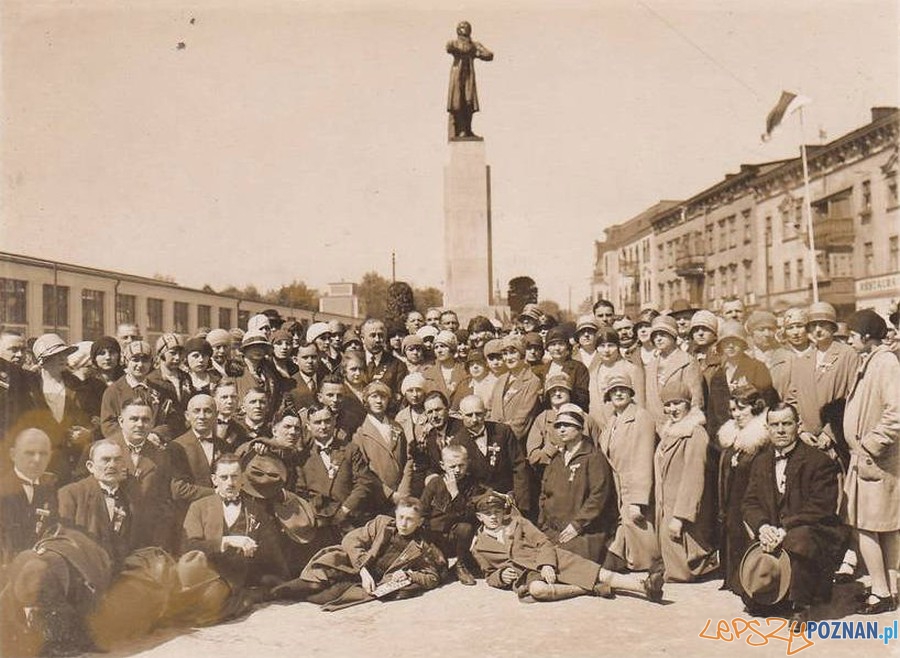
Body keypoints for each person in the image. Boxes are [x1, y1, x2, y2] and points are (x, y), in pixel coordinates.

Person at [742, 403, 848, 629]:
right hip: (774, 531)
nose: (780, 430)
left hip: (813, 533)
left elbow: (821, 507)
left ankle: (802, 605)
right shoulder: (760, 461)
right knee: (755, 603)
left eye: (786, 423)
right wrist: (763, 527)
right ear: (767, 428)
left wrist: (784, 528)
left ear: (798, 426)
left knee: (799, 539)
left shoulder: (819, 461)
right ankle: (778, 593)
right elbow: (750, 502)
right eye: (774, 425)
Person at [470, 490, 662, 602]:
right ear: (479, 517)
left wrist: (547, 564)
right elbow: (489, 575)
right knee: (538, 591)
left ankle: (644, 587)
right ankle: (591, 589)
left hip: (548, 558)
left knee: (597, 573)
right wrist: (501, 576)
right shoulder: (479, 546)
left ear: (503, 512)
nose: (493, 517)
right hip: (525, 574)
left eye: (497, 512)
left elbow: (543, 541)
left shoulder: (518, 522)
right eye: (488, 514)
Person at [272, 497, 446, 610]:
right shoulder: (382, 524)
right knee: (317, 579)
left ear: (420, 522)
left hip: (374, 582)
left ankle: (283, 588)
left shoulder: (421, 547)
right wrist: (363, 570)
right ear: (395, 514)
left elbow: (432, 577)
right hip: (354, 565)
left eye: (410, 520)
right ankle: (273, 591)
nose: (404, 524)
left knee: (325, 597)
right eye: (401, 517)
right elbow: (351, 539)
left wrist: (409, 575)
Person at [842, 309, 900, 614]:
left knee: (867, 527)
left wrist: (869, 445)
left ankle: (881, 592)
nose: (848, 340)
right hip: (869, 461)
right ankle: (890, 588)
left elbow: (896, 413)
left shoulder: (885, 363)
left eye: (852, 335)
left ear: (867, 336)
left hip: (874, 461)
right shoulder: (873, 360)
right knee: (884, 526)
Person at [182, 453, 288, 612]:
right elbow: (189, 547)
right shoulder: (199, 507)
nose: (230, 483)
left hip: (245, 583)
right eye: (224, 477)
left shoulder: (256, 510)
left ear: (242, 478)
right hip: (208, 581)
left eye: (234, 477)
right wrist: (225, 541)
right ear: (214, 480)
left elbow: (273, 556)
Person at [653, 384, 717, 582]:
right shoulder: (668, 432)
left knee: (685, 569)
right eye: (668, 405)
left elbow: (693, 477)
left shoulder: (695, 433)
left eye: (677, 403)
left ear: (688, 404)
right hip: (666, 507)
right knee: (673, 567)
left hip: (683, 511)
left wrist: (680, 517)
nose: (672, 409)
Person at [538, 404, 616, 563]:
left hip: (584, 533)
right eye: (558, 425)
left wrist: (576, 525)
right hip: (553, 531)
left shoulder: (593, 457)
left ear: (580, 428)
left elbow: (598, 496)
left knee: (566, 564)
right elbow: (545, 494)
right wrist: (543, 524)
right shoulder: (556, 459)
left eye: (567, 425)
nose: (562, 429)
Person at [597, 374, 659, 572]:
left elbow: (643, 459)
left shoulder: (641, 417)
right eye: (614, 391)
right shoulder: (612, 421)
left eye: (623, 389)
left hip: (635, 488)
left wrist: (637, 501)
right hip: (617, 489)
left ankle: (652, 567)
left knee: (638, 529)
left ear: (631, 392)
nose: (618, 393)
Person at [785, 302, 859, 468]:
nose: (817, 330)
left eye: (823, 324)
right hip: (807, 440)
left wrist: (830, 432)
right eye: (813, 325)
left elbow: (853, 398)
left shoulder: (848, 354)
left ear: (833, 327)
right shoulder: (802, 360)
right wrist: (801, 430)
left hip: (837, 440)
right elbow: (792, 399)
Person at [294, 403, 379, 536]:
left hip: (351, 520)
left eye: (327, 421)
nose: (323, 426)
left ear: (334, 422)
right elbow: (300, 491)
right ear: (308, 426)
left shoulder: (351, 449)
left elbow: (364, 482)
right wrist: (318, 514)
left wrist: (345, 510)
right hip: (320, 525)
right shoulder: (302, 457)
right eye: (317, 422)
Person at [717, 385, 769, 595]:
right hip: (732, 499)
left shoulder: (761, 438)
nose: (736, 414)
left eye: (741, 408)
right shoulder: (732, 435)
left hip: (751, 499)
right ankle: (732, 578)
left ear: (755, 407)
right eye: (733, 410)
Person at [22, 334, 93, 485]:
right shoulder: (29, 387)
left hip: (73, 458)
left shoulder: (77, 385)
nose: (62, 358)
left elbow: (91, 417)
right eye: (56, 355)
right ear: (42, 360)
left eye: (64, 354)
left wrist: (88, 432)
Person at [454, 395, 531, 517]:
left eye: (478, 414)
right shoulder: (457, 442)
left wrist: (520, 502)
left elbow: (519, 466)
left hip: (510, 498)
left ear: (485, 412)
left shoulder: (503, 431)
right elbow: (463, 481)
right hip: (480, 503)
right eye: (469, 415)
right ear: (460, 415)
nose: (474, 419)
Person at [420, 445, 482, 585]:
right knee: (439, 576)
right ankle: (440, 562)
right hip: (435, 537)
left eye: (461, 465)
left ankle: (460, 564)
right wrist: (429, 544)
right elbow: (421, 511)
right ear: (443, 465)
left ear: (468, 463)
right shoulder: (435, 483)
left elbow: (469, 514)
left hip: (457, 537)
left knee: (465, 527)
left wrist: (455, 493)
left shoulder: (471, 484)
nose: (457, 470)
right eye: (452, 466)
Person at [706, 320, 777, 442]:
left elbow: (768, 402)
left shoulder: (757, 368)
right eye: (726, 342)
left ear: (743, 344)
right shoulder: (717, 376)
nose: (730, 346)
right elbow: (712, 415)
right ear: (720, 346)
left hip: (755, 434)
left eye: (735, 341)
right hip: (726, 436)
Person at [0, 428, 57, 566]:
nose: (37, 460)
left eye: (43, 454)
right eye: (30, 453)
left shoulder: (51, 489)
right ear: (13, 455)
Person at [351, 382, 410, 511]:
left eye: (383, 397)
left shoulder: (397, 427)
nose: (379, 401)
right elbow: (364, 471)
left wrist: (403, 489)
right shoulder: (360, 433)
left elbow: (408, 459)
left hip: (401, 493)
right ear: (366, 400)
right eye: (374, 396)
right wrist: (390, 494)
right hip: (377, 497)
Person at [169, 394, 226, 521]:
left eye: (207, 411)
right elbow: (178, 489)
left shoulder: (224, 446)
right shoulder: (176, 446)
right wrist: (216, 493)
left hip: (220, 515)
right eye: (196, 411)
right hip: (189, 516)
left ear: (216, 415)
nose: (202, 416)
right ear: (187, 416)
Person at [644, 316, 703, 425]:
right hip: (654, 425)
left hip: (680, 424)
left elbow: (696, 399)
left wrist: (689, 424)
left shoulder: (687, 361)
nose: (658, 339)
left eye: (663, 334)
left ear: (673, 335)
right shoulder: (650, 365)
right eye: (655, 336)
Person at [488, 335, 542, 443]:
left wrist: (503, 436)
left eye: (513, 352)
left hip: (514, 441)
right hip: (494, 438)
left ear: (522, 354)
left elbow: (524, 417)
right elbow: (489, 408)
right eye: (505, 353)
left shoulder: (532, 381)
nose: (508, 358)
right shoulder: (501, 379)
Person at [446, 20, 493, 139]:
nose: (464, 29)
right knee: (458, 102)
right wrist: (468, 50)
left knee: (469, 102)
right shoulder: (455, 43)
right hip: (457, 75)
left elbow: (489, 55)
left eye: (466, 27)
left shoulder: (474, 45)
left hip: (469, 76)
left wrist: (478, 53)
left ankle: (468, 129)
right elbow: (449, 47)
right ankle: (461, 130)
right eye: (462, 27)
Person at [532, 327, 590, 412]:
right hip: (549, 413)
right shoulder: (542, 370)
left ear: (567, 346)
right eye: (553, 344)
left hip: (572, 412)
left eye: (561, 344)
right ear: (547, 348)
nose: (557, 348)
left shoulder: (578, 368)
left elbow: (583, 397)